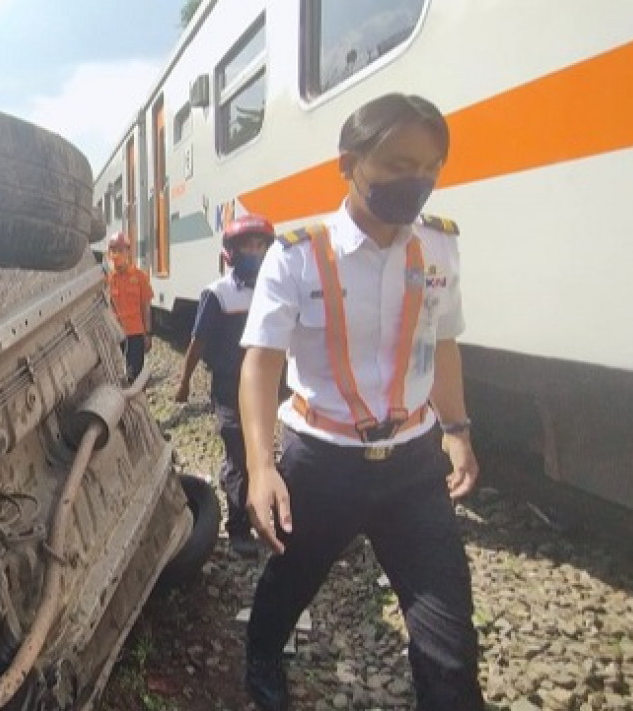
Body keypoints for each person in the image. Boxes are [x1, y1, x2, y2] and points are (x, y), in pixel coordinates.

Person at [237, 93, 484, 711]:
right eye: (399, 164)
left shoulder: (440, 248)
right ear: (349, 162)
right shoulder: (296, 255)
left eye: (430, 168)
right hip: (321, 462)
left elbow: (443, 343)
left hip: (413, 466)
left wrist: (457, 428)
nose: (417, 182)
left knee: (449, 640)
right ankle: (262, 655)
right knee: (290, 582)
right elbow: (261, 362)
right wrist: (263, 467)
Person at [174, 214, 274, 555]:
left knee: (269, 451)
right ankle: (239, 529)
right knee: (239, 454)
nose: (255, 252)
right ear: (231, 252)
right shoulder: (217, 294)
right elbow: (198, 342)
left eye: (261, 245)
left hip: (267, 386)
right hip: (229, 388)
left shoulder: (273, 289)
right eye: (248, 245)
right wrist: (185, 380)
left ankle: (274, 513)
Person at [105, 232, 153, 383]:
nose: (117, 254)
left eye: (121, 250)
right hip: (114, 337)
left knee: (134, 375)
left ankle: (135, 403)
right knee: (116, 376)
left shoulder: (140, 277)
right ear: (109, 253)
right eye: (114, 250)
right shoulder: (106, 279)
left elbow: (146, 308)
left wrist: (148, 334)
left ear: (128, 251)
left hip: (135, 335)